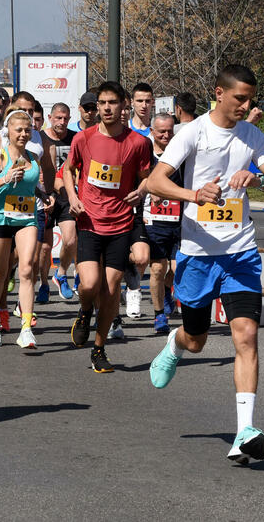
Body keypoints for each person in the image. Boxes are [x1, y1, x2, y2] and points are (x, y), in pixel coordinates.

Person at [145, 64, 264, 464]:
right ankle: (174, 346)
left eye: (251, 99)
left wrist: (257, 179)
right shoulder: (192, 133)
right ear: (219, 93)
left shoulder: (253, 136)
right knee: (196, 340)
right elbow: (156, 181)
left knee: (246, 336)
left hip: (240, 252)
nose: (246, 105)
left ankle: (244, 430)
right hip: (197, 254)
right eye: (240, 98)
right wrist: (194, 194)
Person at [62, 81, 152, 373]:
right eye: (102, 103)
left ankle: (99, 349)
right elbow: (68, 170)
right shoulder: (83, 139)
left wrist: (140, 192)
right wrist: (73, 196)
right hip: (89, 220)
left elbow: (146, 178)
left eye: (113, 102)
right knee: (89, 284)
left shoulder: (138, 143)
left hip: (121, 223)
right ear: (97, 107)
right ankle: (85, 311)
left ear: (124, 105)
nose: (107, 108)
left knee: (111, 288)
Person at [0, 104, 44, 349]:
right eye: (18, 130)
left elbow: (29, 185)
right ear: (9, 131)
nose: (24, 134)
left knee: (27, 269)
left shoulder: (33, 158)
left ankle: (25, 327)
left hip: (26, 218)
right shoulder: (1, 156)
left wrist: (43, 195)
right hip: (0, 218)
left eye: (27, 130)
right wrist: (4, 178)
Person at [140, 113, 181, 331]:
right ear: (152, 132)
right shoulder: (145, 153)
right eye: (161, 131)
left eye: (169, 131)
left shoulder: (180, 153)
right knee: (157, 268)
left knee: (179, 266)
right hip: (153, 220)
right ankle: (159, 315)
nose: (166, 135)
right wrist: (149, 189)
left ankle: (167, 288)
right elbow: (138, 179)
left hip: (178, 220)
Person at [43, 102, 77, 301]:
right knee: (44, 249)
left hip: (65, 194)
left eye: (65, 118)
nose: (62, 122)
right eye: (58, 118)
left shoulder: (75, 139)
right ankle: (44, 284)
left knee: (71, 239)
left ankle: (62, 274)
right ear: (50, 117)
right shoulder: (41, 138)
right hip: (43, 195)